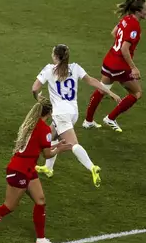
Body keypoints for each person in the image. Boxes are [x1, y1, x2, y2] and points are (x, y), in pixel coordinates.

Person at [0, 98, 74, 243]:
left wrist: (57, 145)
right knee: (9, 206)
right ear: (50, 112)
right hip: (20, 171)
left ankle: (41, 240)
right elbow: (47, 155)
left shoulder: (30, 124)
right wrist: (61, 148)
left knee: (40, 200)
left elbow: (37, 146)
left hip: (26, 168)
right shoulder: (44, 129)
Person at [31, 44, 121, 186]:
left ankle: (92, 167)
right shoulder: (75, 68)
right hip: (73, 112)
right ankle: (48, 168)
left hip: (61, 114)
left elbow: (35, 88)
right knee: (52, 134)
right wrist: (110, 92)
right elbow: (92, 80)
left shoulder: (49, 70)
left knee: (73, 144)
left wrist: (38, 98)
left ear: (55, 56)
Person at [83, 0, 146, 132]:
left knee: (102, 89)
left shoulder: (126, 19)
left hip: (109, 60)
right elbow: (125, 49)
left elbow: (114, 33)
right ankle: (110, 118)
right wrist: (133, 68)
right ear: (138, 11)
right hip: (120, 66)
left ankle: (88, 121)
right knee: (137, 93)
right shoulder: (135, 26)